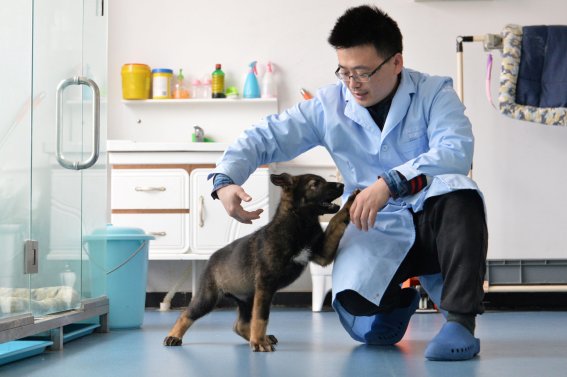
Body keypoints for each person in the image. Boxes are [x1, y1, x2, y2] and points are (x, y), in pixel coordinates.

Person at [210, 5, 488, 361]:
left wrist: (390, 182)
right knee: (363, 325)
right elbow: (265, 137)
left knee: (462, 195)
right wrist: (225, 179)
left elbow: (456, 151)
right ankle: (398, 302)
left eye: (363, 72)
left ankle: (460, 322)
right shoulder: (328, 105)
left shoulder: (434, 93)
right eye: (344, 71)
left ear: (396, 62)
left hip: (434, 220)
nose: (353, 83)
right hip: (374, 225)